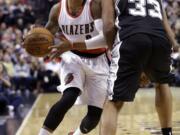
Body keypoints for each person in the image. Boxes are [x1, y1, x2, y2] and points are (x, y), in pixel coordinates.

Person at [100, 0, 179, 135]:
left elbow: (108, 26)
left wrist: (116, 54)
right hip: (160, 39)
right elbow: (168, 31)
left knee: (113, 101)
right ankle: (168, 132)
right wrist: (172, 48)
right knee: (161, 84)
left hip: (131, 37)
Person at [38, 0, 109, 135]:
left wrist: (72, 44)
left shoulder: (94, 6)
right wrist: (35, 38)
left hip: (99, 59)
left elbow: (105, 40)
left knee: (94, 117)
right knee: (69, 97)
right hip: (73, 57)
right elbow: (45, 39)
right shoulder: (57, 10)